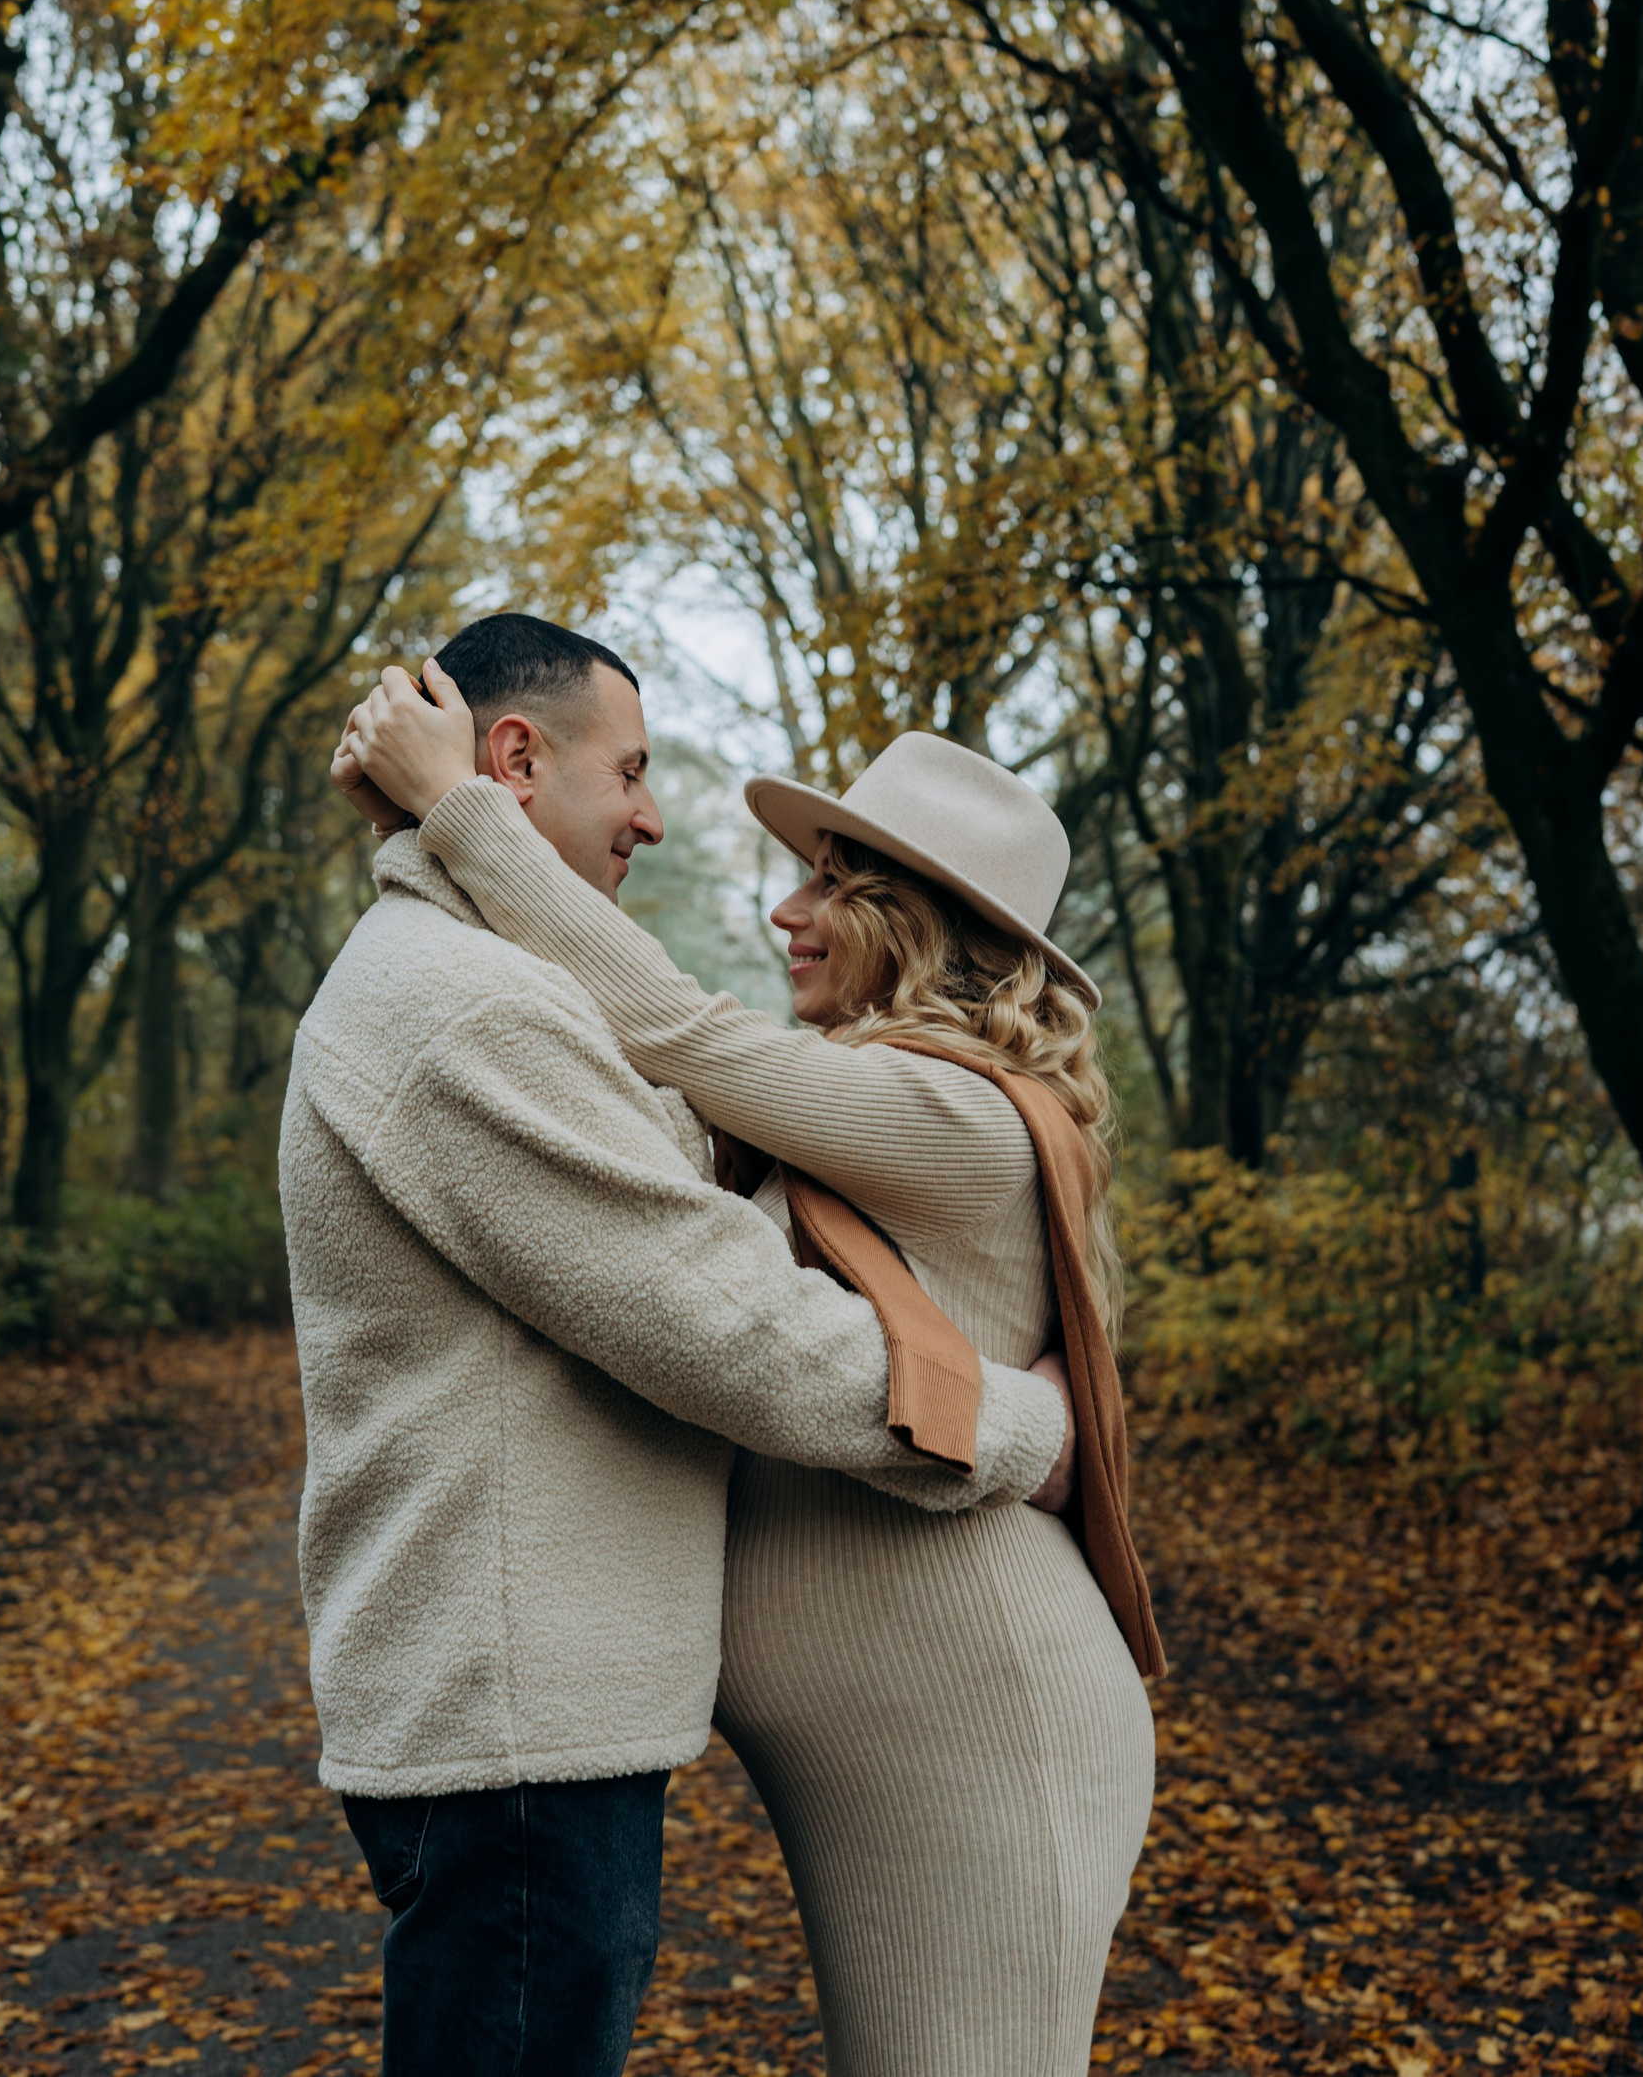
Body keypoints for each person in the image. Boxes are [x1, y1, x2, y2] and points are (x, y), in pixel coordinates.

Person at [341, 656, 1161, 2077]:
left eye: (830, 884)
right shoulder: (852, 1107)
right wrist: (423, 845)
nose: (786, 911)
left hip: (987, 1711)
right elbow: (627, 1098)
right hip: (893, 1737)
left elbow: (671, 1031)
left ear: (920, 924)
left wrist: (462, 812)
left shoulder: (954, 1117)